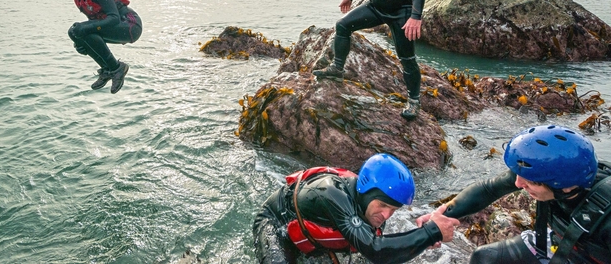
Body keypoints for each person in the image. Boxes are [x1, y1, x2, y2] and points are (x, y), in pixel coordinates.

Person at [416, 125, 611, 264]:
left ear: (566, 187)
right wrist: (440, 217)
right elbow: (489, 189)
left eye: (529, 181)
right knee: (485, 258)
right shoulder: (549, 175)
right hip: (563, 246)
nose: (518, 183)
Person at [253, 153, 460, 264]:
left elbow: (382, 253)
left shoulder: (372, 209)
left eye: (394, 210)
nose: (386, 215)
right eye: (383, 205)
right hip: (275, 222)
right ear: (366, 192)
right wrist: (430, 232)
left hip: (317, 235)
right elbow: (377, 252)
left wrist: (421, 240)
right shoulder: (330, 193)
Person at [57, 0, 142, 92]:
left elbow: (113, 18)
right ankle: (108, 69)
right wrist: (81, 43)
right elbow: (94, 24)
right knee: (75, 32)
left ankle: (117, 69)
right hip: (116, 25)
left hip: (130, 25)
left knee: (79, 30)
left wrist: (83, 32)